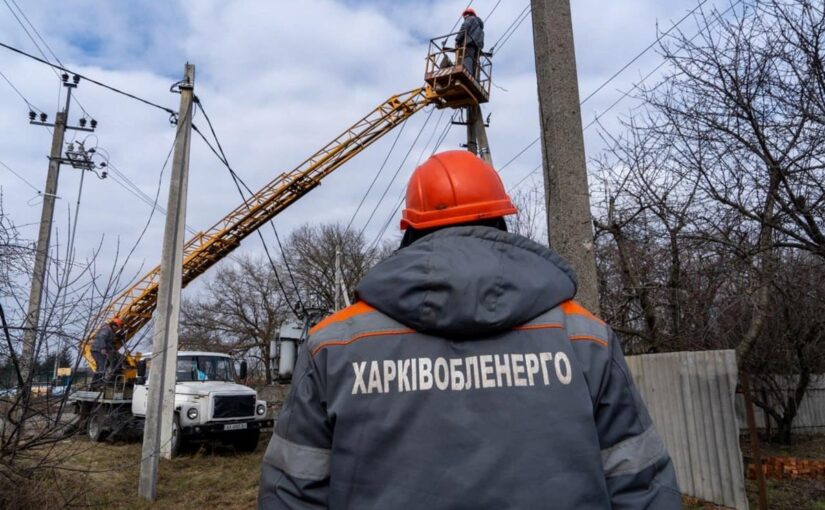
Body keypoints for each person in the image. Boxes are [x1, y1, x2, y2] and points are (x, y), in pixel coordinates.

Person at [258, 151, 681, 509]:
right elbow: (641, 485)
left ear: (410, 229)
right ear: (500, 220)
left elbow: (291, 491)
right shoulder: (584, 337)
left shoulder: (336, 345)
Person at [90, 317, 123, 388]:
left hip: (97, 349)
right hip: (97, 350)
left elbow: (109, 339)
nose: (117, 329)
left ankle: (95, 382)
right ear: (115, 325)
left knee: (104, 364)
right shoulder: (106, 329)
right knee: (102, 365)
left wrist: (117, 336)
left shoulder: (109, 330)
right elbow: (101, 338)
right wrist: (103, 348)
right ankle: (97, 382)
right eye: (117, 328)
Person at [455, 7, 484, 78]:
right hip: (477, 47)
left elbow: (464, 28)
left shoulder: (470, 19)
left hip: (469, 43)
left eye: (465, 15)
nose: (465, 17)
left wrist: (457, 39)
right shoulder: (481, 29)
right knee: (476, 63)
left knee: (467, 58)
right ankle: (476, 79)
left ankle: (467, 75)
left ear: (469, 14)